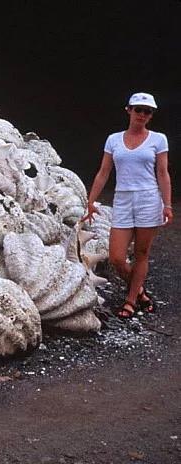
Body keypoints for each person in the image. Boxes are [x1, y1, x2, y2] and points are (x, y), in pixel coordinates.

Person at [82, 92, 172, 318]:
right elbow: (104, 172)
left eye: (147, 111)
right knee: (117, 258)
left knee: (142, 253)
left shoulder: (158, 139)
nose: (142, 114)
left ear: (151, 115)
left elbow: (162, 173)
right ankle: (140, 291)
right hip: (123, 199)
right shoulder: (113, 139)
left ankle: (130, 301)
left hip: (148, 199)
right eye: (138, 109)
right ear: (129, 110)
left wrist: (167, 204)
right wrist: (90, 200)